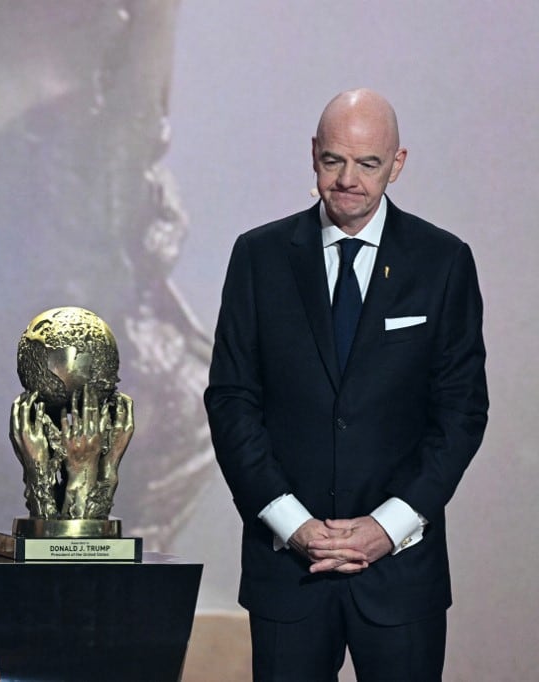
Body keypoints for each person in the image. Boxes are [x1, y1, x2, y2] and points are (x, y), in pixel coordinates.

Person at [204, 89, 488, 681]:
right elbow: (232, 400)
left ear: (398, 163)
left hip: (401, 573)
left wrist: (387, 526)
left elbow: (461, 412)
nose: (349, 180)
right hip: (287, 569)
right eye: (334, 160)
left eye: (369, 164)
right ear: (313, 155)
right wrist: (292, 523)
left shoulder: (442, 261)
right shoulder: (258, 257)